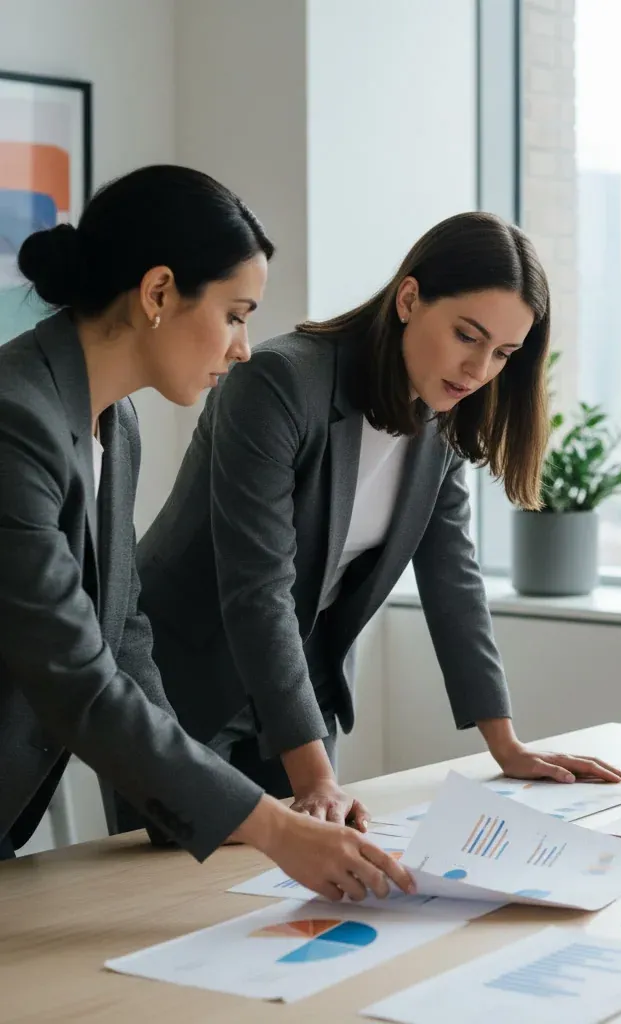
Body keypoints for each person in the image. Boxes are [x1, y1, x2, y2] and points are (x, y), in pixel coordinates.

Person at [134, 211, 621, 848]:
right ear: (409, 297)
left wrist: (505, 744)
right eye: (466, 335)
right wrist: (316, 778)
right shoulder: (281, 381)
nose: (478, 369)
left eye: (502, 353)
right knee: (170, 893)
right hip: (184, 680)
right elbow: (259, 587)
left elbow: (452, 572)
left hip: (297, 683)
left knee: (285, 899)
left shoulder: (441, 412)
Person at [0, 165, 415, 904]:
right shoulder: (14, 420)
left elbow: (122, 632)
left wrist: (210, 809)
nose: (244, 347)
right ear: (158, 293)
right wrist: (272, 827)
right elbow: (76, 677)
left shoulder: (113, 423)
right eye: (235, 313)